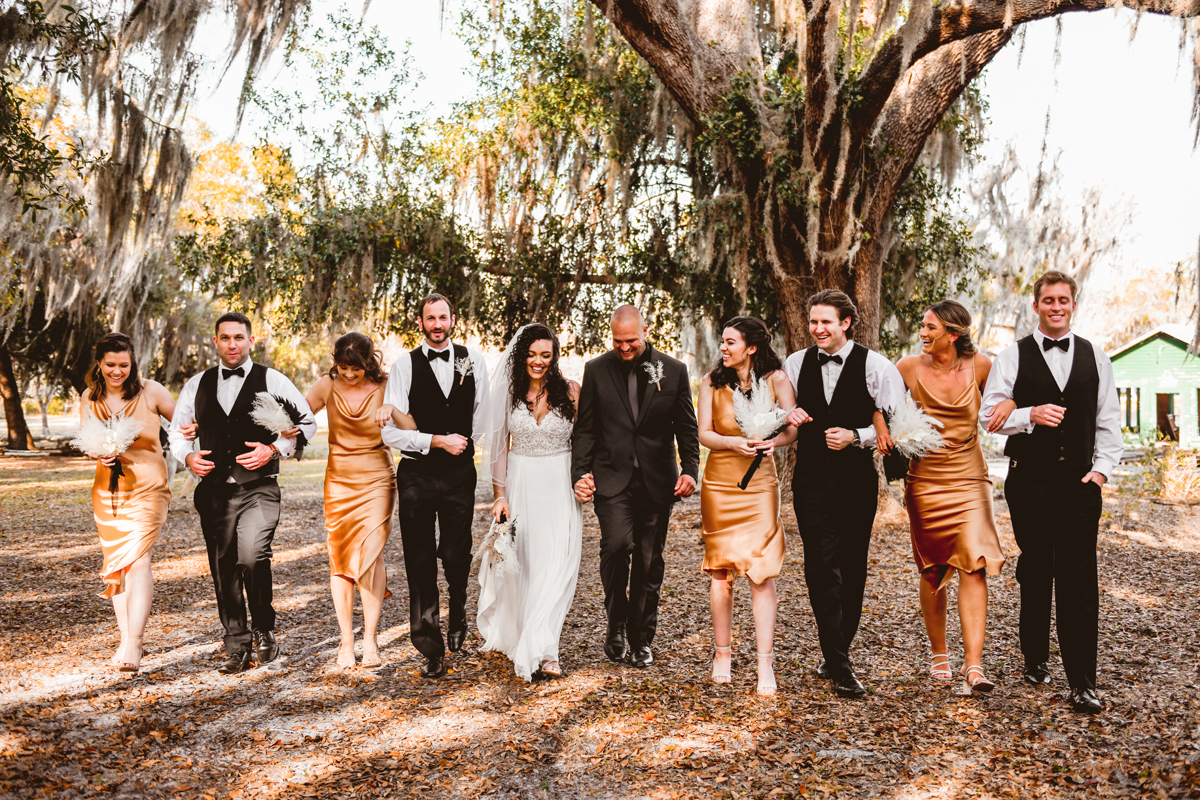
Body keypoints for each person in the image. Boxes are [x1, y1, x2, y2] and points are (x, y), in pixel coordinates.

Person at [981, 270, 1122, 715]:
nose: (1056, 307)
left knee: (1080, 581)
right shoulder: (1012, 356)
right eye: (1048, 300)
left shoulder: (1096, 358)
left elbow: (1108, 422)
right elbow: (989, 417)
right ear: (1036, 306)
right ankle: (1035, 658)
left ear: (1073, 305)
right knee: (1037, 569)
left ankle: (1083, 681)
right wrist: (1029, 414)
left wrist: (1099, 473)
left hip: (1080, 486)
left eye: (1064, 300)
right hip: (1029, 484)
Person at [169, 312, 317, 675]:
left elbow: (308, 421)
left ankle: (264, 628)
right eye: (225, 338)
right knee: (223, 567)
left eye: (239, 338)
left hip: (259, 488)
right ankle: (236, 643)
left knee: (252, 556)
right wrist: (187, 455)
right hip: (214, 490)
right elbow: (175, 432)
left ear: (251, 341)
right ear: (215, 342)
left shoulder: (272, 378)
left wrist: (274, 449)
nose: (232, 344)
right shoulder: (197, 384)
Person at [784, 289, 906, 699]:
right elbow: (780, 415)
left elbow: (897, 423)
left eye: (826, 322)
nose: (818, 329)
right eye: (814, 322)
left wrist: (857, 436)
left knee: (852, 568)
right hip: (811, 480)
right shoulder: (795, 363)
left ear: (846, 323)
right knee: (820, 565)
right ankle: (838, 663)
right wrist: (787, 417)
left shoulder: (877, 366)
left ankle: (836, 648)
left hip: (857, 481)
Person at [571, 305, 701, 669]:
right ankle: (616, 622)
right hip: (611, 478)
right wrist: (579, 472)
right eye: (617, 341)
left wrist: (691, 469)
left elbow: (686, 427)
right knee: (615, 548)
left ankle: (641, 637)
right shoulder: (597, 370)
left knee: (648, 561)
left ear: (646, 331)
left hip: (658, 482)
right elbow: (586, 428)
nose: (624, 347)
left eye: (631, 341)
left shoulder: (674, 371)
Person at [893, 301, 1006, 692]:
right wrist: (887, 433)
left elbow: (1001, 404)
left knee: (974, 565)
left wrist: (1008, 403)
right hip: (924, 479)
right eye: (922, 326)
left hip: (971, 478)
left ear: (953, 334)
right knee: (933, 570)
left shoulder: (983, 366)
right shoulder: (907, 368)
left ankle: (974, 665)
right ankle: (939, 653)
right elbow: (881, 406)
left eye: (930, 328)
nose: (922, 333)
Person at [380, 293, 489, 680]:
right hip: (417, 474)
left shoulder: (474, 360)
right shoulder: (404, 366)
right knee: (420, 559)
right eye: (431, 318)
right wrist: (435, 441)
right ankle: (430, 645)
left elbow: (482, 417)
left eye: (443, 317)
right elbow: (390, 431)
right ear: (421, 323)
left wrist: (462, 448)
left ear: (454, 319)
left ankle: (458, 609)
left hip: (460, 473)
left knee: (458, 554)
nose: (438, 324)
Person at [477, 324, 584, 681]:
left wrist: (586, 478)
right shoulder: (509, 393)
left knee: (556, 566)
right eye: (532, 354)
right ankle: (529, 638)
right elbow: (498, 451)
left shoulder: (571, 391)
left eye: (546, 355)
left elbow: (587, 441)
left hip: (559, 485)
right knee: (527, 566)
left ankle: (548, 650)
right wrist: (500, 495)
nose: (538, 361)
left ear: (554, 357)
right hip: (520, 484)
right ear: (522, 354)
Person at [697, 317, 797, 696]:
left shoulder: (777, 379)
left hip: (760, 485)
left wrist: (777, 443)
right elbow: (705, 433)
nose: (723, 348)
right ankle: (722, 654)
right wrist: (731, 444)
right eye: (722, 342)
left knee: (761, 571)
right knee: (720, 573)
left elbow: (792, 426)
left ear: (751, 348)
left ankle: (764, 663)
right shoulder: (711, 382)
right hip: (721, 482)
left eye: (730, 342)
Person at [82, 332, 186, 672]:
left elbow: (184, 424)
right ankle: (125, 636)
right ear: (99, 364)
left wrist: (192, 435)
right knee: (118, 564)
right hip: (108, 491)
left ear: (133, 362)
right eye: (110, 365)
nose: (117, 371)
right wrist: (100, 451)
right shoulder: (89, 397)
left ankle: (135, 643)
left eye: (123, 365)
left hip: (149, 487)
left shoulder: (152, 391)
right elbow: (88, 440)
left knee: (139, 558)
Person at [303, 333, 398, 670]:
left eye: (355, 369)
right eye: (343, 368)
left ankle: (371, 638)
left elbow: (410, 423)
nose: (348, 375)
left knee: (371, 557)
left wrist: (395, 408)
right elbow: (301, 415)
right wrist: (290, 430)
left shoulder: (388, 384)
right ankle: (346, 640)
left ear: (368, 363)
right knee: (340, 560)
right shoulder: (326, 385)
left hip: (377, 479)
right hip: (339, 481)